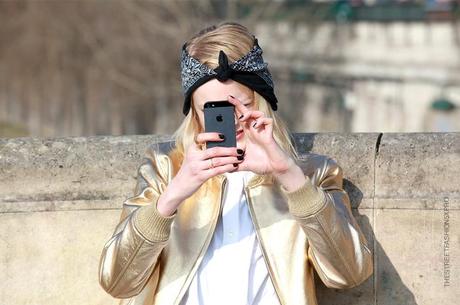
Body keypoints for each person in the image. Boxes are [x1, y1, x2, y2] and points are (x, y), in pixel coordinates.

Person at [98, 22, 373, 305]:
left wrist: (290, 177)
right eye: (213, 110)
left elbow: (349, 273)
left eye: (241, 104)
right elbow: (117, 281)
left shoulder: (312, 172)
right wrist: (173, 194)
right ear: (193, 112)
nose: (231, 120)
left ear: (262, 101)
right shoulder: (166, 167)